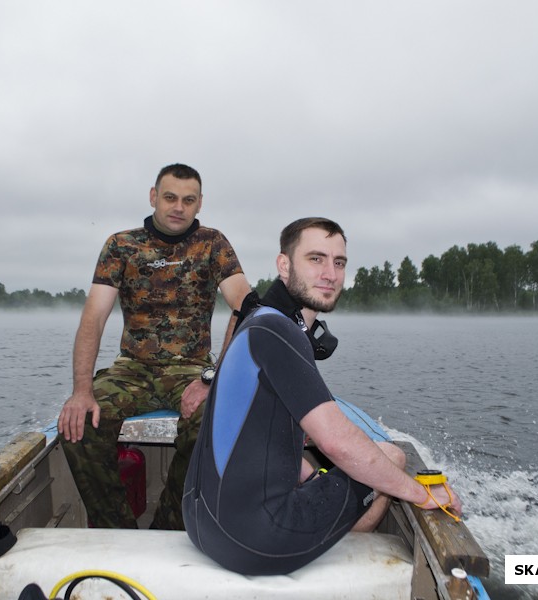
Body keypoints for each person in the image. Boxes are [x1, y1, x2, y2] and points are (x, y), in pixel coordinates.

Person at [182, 217, 462, 575]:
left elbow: (257, 432)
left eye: (339, 262)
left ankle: (321, 530)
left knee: (318, 469)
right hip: (254, 542)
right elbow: (337, 444)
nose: (330, 273)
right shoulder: (279, 330)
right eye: (316, 259)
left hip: (203, 526)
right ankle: (338, 554)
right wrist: (422, 495)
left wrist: (313, 477)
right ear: (284, 265)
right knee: (390, 456)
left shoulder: (256, 322)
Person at [58, 163, 252, 530]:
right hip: (132, 369)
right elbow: (94, 316)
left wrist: (214, 379)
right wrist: (81, 390)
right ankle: (117, 533)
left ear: (199, 204)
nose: (178, 207)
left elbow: (244, 304)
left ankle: (168, 528)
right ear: (153, 197)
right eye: (170, 197)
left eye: (188, 200)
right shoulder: (121, 245)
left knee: (214, 424)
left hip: (192, 370)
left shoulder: (213, 243)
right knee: (79, 421)